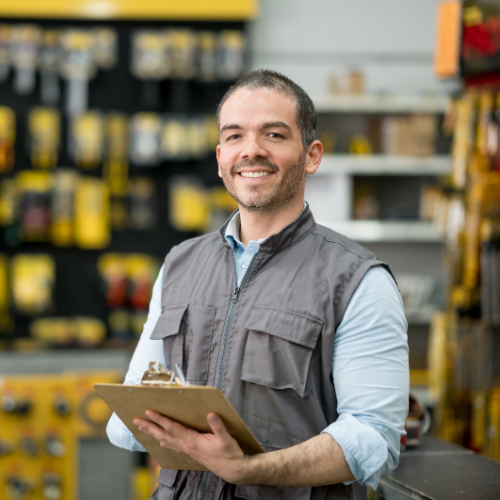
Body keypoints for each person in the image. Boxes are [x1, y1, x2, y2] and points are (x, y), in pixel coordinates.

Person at [107, 69, 409, 500]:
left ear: (311, 156)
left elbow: (374, 439)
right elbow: (132, 413)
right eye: (234, 137)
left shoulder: (357, 281)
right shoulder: (179, 265)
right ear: (219, 159)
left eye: (273, 134)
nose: (251, 151)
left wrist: (248, 468)